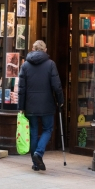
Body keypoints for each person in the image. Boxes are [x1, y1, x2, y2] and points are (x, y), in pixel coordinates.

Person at [18, 40, 64, 172]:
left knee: (33, 132)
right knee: (48, 129)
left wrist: (21, 106)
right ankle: (38, 153)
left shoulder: (25, 65)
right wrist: (60, 100)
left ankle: (35, 162)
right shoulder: (50, 64)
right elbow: (56, 85)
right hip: (47, 103)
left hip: (30, 104)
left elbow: (21, 88)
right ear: (45, 50)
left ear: (33, 49)